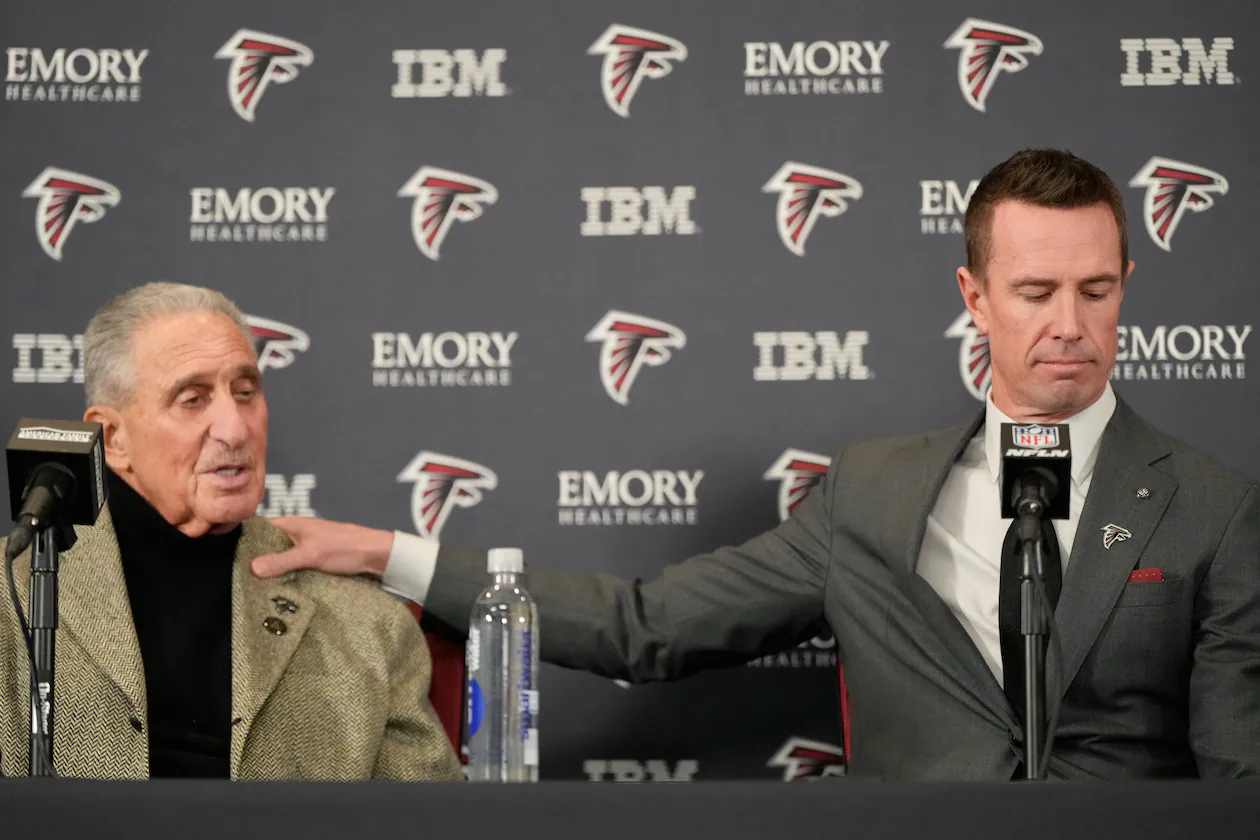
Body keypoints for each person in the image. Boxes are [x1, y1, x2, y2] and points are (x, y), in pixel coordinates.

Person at [253, 149, 1260, 780]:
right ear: (974, 295)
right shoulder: (872, 493)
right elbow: (643, 624)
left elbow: (1237, 773)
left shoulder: (1213, 506)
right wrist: (393, 553)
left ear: (1128, 283)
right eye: (1037, 290)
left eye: (1096, 290)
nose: (1070, 326)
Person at [0, 283, 462, 781]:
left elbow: (428, 821)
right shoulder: (14, 595)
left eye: (245, 393)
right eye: (193, 399)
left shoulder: (367, 625)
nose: (236, 429)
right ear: (113, 438)